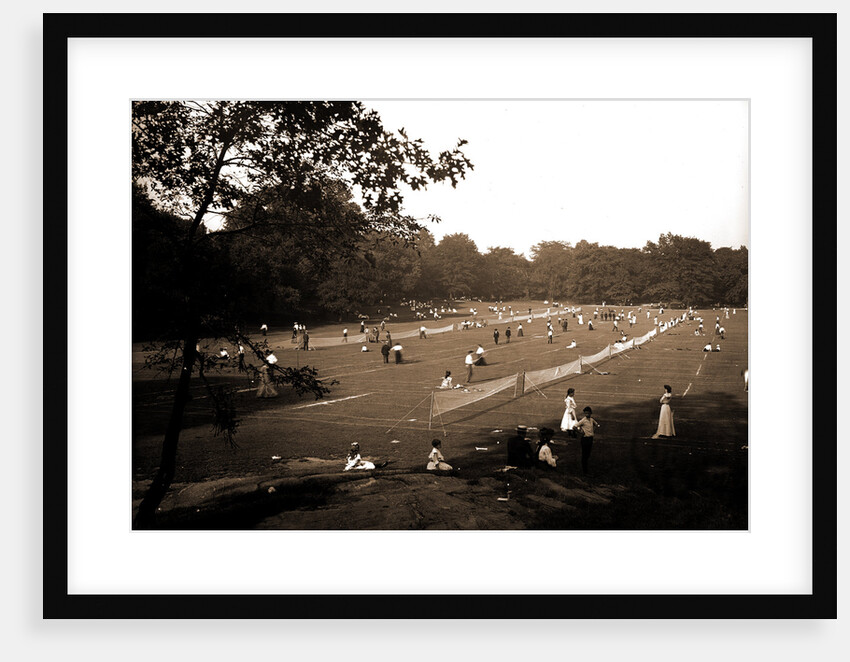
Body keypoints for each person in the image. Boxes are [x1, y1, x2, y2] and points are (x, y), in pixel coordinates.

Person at [575, 407, 600, 475]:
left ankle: (585, 468)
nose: (587, 414)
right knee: (584, 454)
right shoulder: (583, 420)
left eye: (588, 413)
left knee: (588, 454)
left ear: (590, 413)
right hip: (585, 439)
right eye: (585, 413)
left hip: (590, 438)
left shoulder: (591, 420)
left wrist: (595, 429)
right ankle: (584, 470)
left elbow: (596, 424)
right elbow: (574, 426)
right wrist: (580, 432)